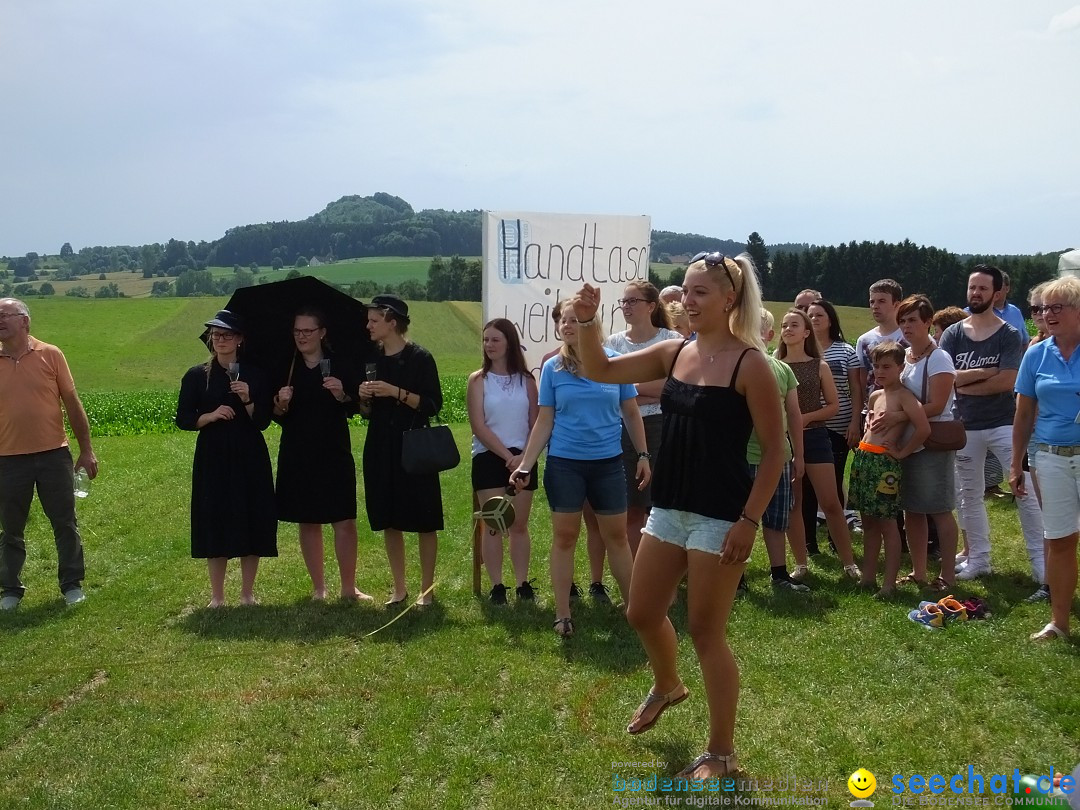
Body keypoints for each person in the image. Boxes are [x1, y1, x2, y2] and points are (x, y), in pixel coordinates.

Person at [570, 252, 784, 780]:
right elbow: (599, 369)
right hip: (670, 508)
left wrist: (749, 521)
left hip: (720, 516)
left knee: (707, 634)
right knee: (640, 612)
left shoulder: (750, 364)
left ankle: (721, 753)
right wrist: (587, 321)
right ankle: (668, 684)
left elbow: (777, 451)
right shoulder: (676, 351)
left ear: (730, 299)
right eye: (685, 291)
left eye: (700, 293)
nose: (687, 301)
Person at [512, 302, 648, 636]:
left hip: (608, 465)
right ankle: (562, 614)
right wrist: (526, 465)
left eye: (575, 320)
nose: (568, 325)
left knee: (616, 537)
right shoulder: (553, 369)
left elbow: (631, 412)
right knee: (565, 537)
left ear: (590, 324)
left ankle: (635, 610)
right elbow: (545, 420)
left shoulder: (614, 363)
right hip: (565, 466)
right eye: (562, 320)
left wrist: (643, 454)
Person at [938, 265, 1044, 582]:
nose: (976, 293)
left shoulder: (1008, 335)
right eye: (972, 287)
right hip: (965, 425)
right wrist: (986, 372)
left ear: (996, 293)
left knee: (1023, 491)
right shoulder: (953, 334)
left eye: (983, 288)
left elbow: (1007, 382)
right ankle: (979, 560)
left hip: (1003, 424)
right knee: (968, 495)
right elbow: (945, 379)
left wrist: (965, 380)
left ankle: (1041, 566)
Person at [0, 298, 98, 610]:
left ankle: (71, 584)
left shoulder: (51, 354)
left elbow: (72, 403)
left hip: (54, 455)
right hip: (8, 459)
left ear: (24, 321)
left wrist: (87, 451)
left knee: (65, 523)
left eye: (4, 315)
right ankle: (10, 590)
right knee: (10, 528)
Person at [176, 310, 277, 607]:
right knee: (214, 517)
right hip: (213, 455)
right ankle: (217, 596)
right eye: (216, 335)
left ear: (240, 339)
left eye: (227, 335)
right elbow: (183, 418)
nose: (220, 340)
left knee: (251, 515)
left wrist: (248, 398)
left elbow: (262, 422)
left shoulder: (256, 374)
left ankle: (247, 593)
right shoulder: (197, 376)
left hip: (249, 454)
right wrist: (210, 416)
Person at [272, 308, 372, 603]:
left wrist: (341, 394)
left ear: (322, 333)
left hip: (333, 449)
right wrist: (280, 402)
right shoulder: (286, 366)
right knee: (308, 519)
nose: (301, 337)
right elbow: (275, 414)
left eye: (307, 331)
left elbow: (357, 406)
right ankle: (319, 588)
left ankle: (348, 587)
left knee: (344, 519)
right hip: (297, 451)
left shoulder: (339, 364)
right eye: (297, 332)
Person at [358, 294, 445, 607]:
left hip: (414, 446)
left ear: (391, 322)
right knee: (388, 518)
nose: (367, 326)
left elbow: (433, 404)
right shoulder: (371, 359)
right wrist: (364, 396)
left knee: (425, 518)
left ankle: (426, 590)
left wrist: (394, 392)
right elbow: (365, 412)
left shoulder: (421, 358)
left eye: (373, 320)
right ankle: (399, 588)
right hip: (380, 445)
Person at [1011, 275, 1080, 641]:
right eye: (1043, 308)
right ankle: (1060, 622)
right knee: (1060, 539)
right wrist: (1017, 462)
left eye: (1058, 307)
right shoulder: (1035, 353)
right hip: (1050, 457)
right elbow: (1023, 414)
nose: (1047, 314)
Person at [777, 308, 861, 580]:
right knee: (794, 504)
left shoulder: (819, 365)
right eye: (784, 325)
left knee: (831, 502)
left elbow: (834, 406)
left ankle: (849, 563)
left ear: (806, 333)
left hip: (814, 437)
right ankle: (801, 565)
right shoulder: (774, 363)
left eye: (794, 325)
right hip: (784, 440)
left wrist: (804, 418)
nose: (788, 329)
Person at [606, 281, 682, 555]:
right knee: (633, 505)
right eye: (623, 302)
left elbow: (675, 388)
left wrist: (632, 388)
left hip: (664, 427)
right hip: (623, 430)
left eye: (632, 301)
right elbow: (610, 389)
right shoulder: (613, 342)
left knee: (664, 503)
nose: (626, 306)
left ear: (651, 306)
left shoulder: (671, 341)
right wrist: (649, 389)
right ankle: (638, 571)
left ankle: (667, 567)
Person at [467, 318, 539, 604]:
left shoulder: (528, 380)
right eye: (486, 340)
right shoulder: (478, 380)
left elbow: (537, 423)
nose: (489, 345)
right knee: (493, 524)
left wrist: (523, 458)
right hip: (489, 457)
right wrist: (507, 457)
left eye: (495, 339)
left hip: (524, 458)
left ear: (509, 341)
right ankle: (497, 586)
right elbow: (478, 426)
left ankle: (522, 583)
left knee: (519, 525)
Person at [851, 342, 930, 595]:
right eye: (876, 366)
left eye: (887, 366)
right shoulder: (875, 395)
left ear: (900, 367)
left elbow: (923, 429)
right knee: (868, 522)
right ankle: (868, 576)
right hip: (865, 458)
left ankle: (889, 584)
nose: (880, 371)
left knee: (887, 524)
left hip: (884, 464)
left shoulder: (905, 396)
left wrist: (901, 453)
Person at [892, 295, 959, 589]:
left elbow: (938, 404)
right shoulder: (904, 357)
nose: (907, 327)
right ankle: (918, 571)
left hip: (932, 441)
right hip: (908, 442)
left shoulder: (939, 357)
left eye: (912, 321)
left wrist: (898, 417)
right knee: (912, 510)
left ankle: (947, 574)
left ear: (928, 322)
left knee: (940, 510)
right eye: (902, 321)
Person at [747, 309, 806, 592]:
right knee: (740, 518)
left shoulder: (783, 370)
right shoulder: (734, 368)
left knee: (777, 518)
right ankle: (737, 576)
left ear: (770, 336)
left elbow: (794, 415)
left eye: (758, 330)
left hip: (778, 456)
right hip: (742, 456)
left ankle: (779, 574)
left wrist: (799, 455)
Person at [801, 299, 863, 559]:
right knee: (804, 487)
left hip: (839, 426)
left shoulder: (845, 350)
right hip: (807, 426)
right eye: (810, 315)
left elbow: (856, 389)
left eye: (819, 315)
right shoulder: (801, 350)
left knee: (834, 484)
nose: (814, 318)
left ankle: (837, 542)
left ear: (830, 319)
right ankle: (808, 543)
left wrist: (855, 422)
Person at [855, 279, 905, 410]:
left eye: (882, 301)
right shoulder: (864, 340)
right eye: (872, 301)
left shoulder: (908, 337)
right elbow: (861, 382)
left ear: (896, 304)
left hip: (905, 409)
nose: (875, 306)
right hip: (873, 409)